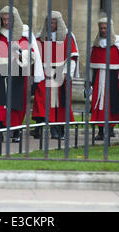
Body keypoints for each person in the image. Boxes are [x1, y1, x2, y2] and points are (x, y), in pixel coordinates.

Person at [0, 5, 35, 142]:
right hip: (0, 71)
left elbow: (30, 56)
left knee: (15, 103)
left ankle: (15, 131)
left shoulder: (23, 34)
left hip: (18, 72)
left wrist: (21, 54)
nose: (6, 23)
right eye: (3, 20)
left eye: (9, 19)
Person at [32, 11, 79, 140]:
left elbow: (72, 57)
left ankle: (58, 130)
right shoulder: (40, 38)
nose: (50, 24)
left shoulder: (67, 37)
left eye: (53, 22)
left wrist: (66, 73)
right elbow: (35, 56)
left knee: (59, 103)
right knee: (42, 101)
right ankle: (39, 129)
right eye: (48, 22)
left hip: (59, 72)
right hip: (44, 73)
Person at [89, 17, 119, 141]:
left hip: (116, 80)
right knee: (99, 106)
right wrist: (89, 81)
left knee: (118, 106)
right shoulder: (95, 45)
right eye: (101, 28)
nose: (103, 30)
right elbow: (91, 66)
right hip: (99, 80)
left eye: (105, 28)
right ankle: (101, 132)